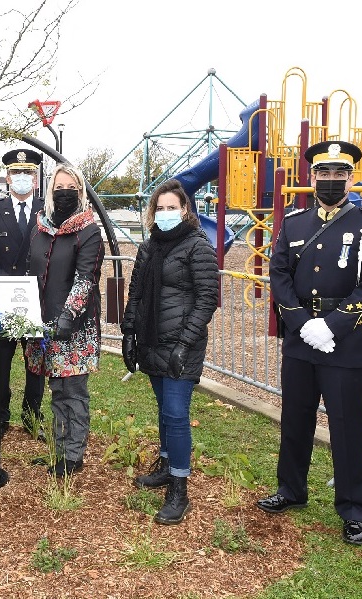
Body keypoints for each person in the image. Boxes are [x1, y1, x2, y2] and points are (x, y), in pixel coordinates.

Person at [257, 140, 362, 546]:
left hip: (347, 344)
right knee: (295, 420)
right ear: (312, 176)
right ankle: (291, 490)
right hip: (302, 341)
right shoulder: (295, 222)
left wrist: (331, 326)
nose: (331, 180)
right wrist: (301, 322)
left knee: (348, 427)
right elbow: (279, 273)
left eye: (340, 173)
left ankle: (354, 510)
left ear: (351, 178)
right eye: (324, 173)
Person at [121, 178, 218, 525]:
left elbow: (208, 299)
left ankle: (179, 487)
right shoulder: (149, 248)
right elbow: (135, 295)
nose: (165, 214)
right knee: (164, 409)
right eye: (159, 208)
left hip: (182, 344)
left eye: (171, 208)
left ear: (185, 210)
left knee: (177, 413)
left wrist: (184, 343)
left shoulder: (197, 246)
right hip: (152, 340)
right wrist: (129, 334)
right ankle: (165, 464)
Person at [26, 164, 104, 476]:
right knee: (56, 392)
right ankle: (59, 450)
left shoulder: (88, 230)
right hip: (42, 326)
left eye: (71, 187)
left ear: (81, 191)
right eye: (59, 187)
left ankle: (74, 455)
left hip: (73, 330)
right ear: (50, 190)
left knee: (73, 393)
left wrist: (67, 316)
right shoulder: (40, 228)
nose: (65, 192)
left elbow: (85, 279)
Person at [0, 148, 46, 437]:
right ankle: (0, 416)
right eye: (17, 173)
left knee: (35, 363)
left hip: (37, 299)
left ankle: (32, 416)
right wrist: (7, 285)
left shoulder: (47, 210)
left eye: (27, 173)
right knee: (1, 362)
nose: (22, 178)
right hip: (3, 299)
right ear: (7, 177)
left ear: (36, 178)